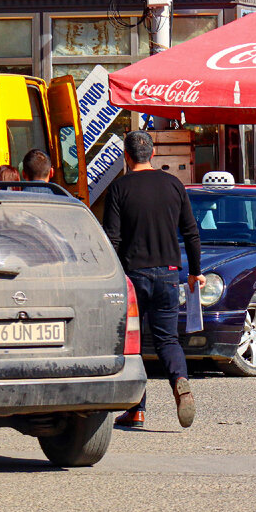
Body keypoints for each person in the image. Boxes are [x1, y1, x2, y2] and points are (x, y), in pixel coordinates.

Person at [103, 130, 204, 430]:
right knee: (167, 339)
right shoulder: (173, 184)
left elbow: (112, 238)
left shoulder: (119, 189)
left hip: (133, 276)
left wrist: (111, 274)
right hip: (169, 274)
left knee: (132, 344)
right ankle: (180, 381)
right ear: (153, 154)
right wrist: (194, 271)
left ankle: (136, 409)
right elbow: (191, 232)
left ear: (127, 156)